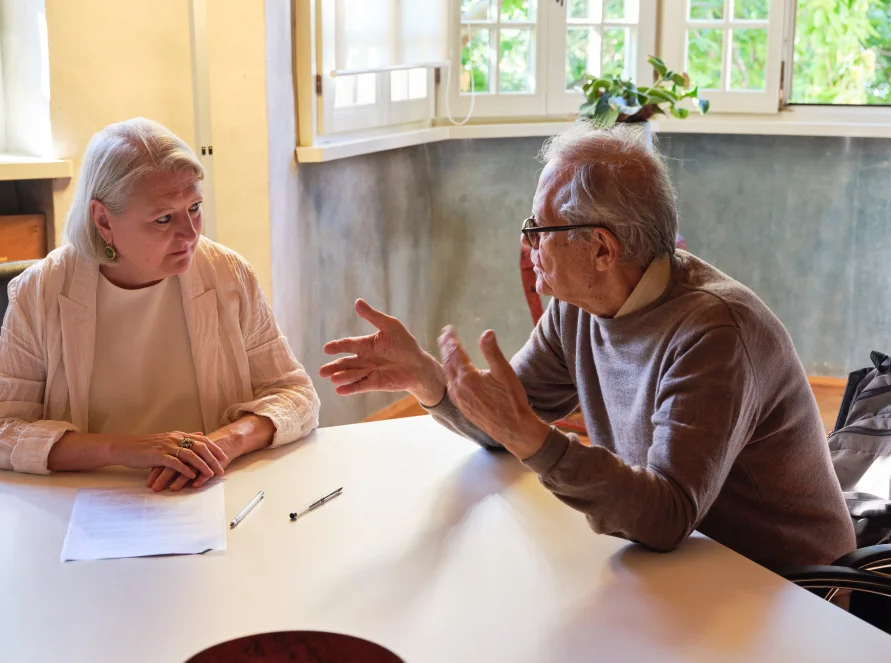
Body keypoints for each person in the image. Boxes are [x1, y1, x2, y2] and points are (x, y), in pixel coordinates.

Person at [321, 123, 856, 568]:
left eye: (539, 228)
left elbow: (666, 515)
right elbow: (507, 424)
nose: (527, 244)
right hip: (694, 570)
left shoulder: (714, 333)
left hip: (789, 590)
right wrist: (426, 377)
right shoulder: (577, 309)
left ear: (602, 248)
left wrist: (532, 435)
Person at [0, 118, 319, 492]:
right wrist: (130, 450)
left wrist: (219, 445)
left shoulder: (228, 275)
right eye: (164, 218)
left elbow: (297, 396)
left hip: (207, 489)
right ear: (103, 219)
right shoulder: (40, 291)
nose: (189, 234)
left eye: (195, 208)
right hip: (87, 500)